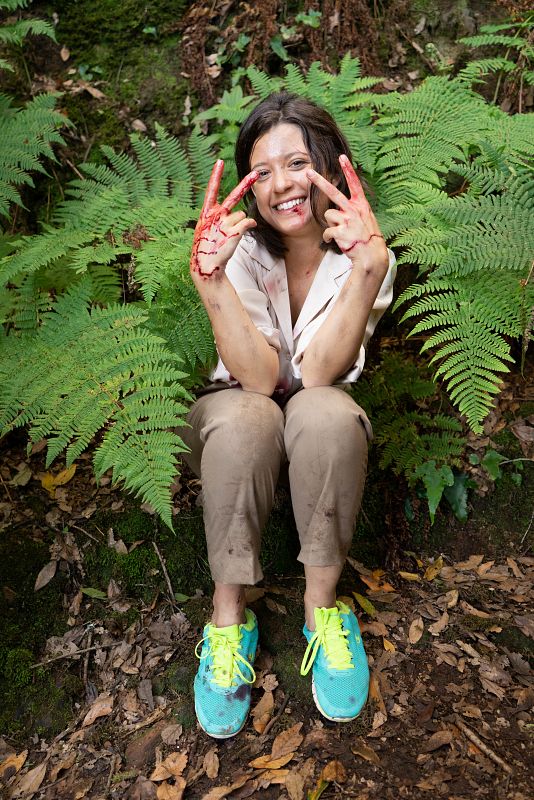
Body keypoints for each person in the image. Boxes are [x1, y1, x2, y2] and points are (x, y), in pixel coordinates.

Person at [182, 92, 396, 739]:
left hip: (310, 412)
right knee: (250, 416)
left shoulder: (364, 251)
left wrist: (367, 273)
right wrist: (212, 283)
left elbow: (321, 374)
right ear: (250, 187)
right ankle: (228, 619)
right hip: (233, 412)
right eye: (263, 171)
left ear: (328, 163)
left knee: (328, 413)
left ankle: (320, 612)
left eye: (296, 163)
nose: (281, 185)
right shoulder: (239, 250)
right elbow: (256, 379)